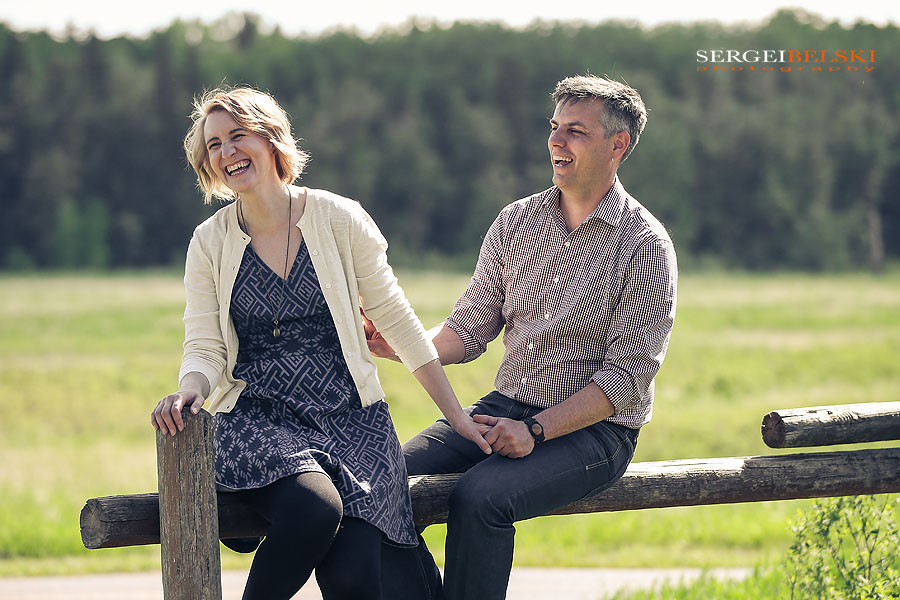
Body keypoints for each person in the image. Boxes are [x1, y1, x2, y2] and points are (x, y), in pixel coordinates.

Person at [150, 86, 490, 600]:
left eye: (238, 136)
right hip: (260, 419)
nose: (227, 152)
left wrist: (457, 416)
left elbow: (397, 320)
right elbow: (203, 344)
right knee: (314, 508)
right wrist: (189, 388)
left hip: (351, 417)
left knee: (354, 574)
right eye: (214, 144)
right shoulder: (210, 241)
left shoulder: (339, 218)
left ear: (271, 140)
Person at [369, 75, 678, 599]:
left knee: (480, 498)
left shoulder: (646, 244)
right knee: (378, 484)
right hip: (502, 407)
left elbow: (624, 384)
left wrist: (535, 431)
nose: (557, 141)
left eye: (576, 131)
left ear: (617, 145)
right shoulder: (515, 222)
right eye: (555, 128)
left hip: (597, 432)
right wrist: (401, 342)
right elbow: (469, 330)